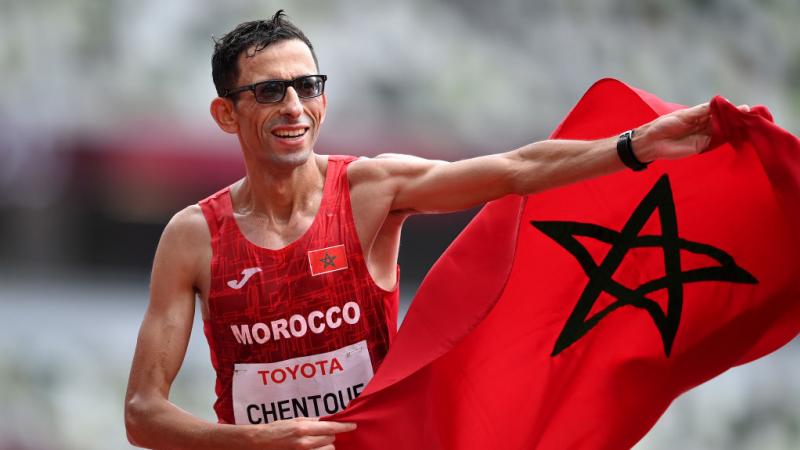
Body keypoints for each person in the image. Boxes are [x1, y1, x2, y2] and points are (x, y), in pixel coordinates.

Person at [124, 10, 748, 450]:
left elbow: (514, 169)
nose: (294, 107)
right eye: (269, 91)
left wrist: (636, 146)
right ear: (225, 114)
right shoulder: (194, 237)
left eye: (308, 86)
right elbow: (142, 415)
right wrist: (252, 443)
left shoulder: (368, 191)